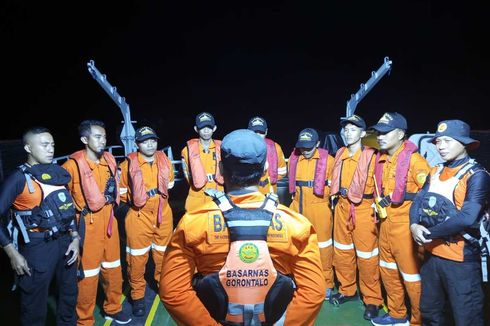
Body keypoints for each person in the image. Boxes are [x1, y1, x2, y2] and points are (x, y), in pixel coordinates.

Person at [159, 129, 326, 326]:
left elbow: (173, 292)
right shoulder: (296, 224)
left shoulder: (193, 223)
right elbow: (314, 292)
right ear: (265, 168)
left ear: (220, 169)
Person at [409, 119, 489, 326]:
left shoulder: (477, 175)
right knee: (430, 311)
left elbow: (468, 217)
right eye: (438, 141)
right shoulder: (435, 171)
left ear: (464, 143)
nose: (441, 146)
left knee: (466, 317)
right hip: (431, 256)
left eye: (447, 140)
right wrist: (414, 225)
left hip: (460, 260)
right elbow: (418, 199)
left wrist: (429, 233)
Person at [0, 127, 79, 326]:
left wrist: (76, 239)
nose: (50, 149)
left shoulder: (58, 174)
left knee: (69, 296)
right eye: (44, 145)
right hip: (37, 247)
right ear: (28, 147)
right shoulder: (18, 178)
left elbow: (67, 209)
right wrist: (13, 254)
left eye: (52, 144)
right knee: (34, 305)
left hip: (66, 244)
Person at [62, 120, 131, 325]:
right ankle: (84, 319)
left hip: (109, 220)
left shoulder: (109, 161)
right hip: (86, 225)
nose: (103, 140)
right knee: (87, 275)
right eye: (97, 136)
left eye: (104, 136)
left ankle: (113, 308)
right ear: (85, 139)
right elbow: (62, 201)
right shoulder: (71, 167)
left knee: (113, 267)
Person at [368, 112, 430, 326]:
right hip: (385, 225)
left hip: (405, 227)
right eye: (379, 132)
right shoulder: (382, 160)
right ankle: (397, 314)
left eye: (386, 132)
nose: (381, 136)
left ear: (401, 134)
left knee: (412, 277)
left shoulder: (415, 160)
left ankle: (418, 320)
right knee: (388, 271)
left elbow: (429, 195)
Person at [329, 115, 383, 320]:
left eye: (353, 129)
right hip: (342, 206)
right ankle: (347, 290)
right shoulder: (340, 153)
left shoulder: (372, 155)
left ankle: (372, 299)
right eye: (345, 129)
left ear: (362, 133)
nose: (347, 133)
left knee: (367, 257)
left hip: (364, 209)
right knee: (342, 252)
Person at [118, 126, 175, 317]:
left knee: (164, 256)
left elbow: (170, 184)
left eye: (153, 140)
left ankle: (164, 287)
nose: (150, 144)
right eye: (145, 141)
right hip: (139, 215)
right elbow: (123, 193)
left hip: (163, 213)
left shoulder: (164, 160)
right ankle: (138, 297)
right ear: (137, 144)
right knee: (136, 259)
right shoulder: (127, 166)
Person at [288, 127, 335, 299]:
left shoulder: (329, 161)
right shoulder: (294, 160)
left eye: (309, 146)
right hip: (298, 207)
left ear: (317, 144)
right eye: (302, 147)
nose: (305, 150)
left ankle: (327, 283)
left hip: (320, 206)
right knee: (297, 247)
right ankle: (299, 278)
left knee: (323, 247)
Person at [181, 112, 224, 212]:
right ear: (196, 129)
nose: (206, 130)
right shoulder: (187, 150)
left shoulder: (222, 148)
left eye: (209, 127)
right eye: (202, 127)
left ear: (214, 128)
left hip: (218, 195)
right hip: (197, 196)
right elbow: (187, 176)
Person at [247, 116, 287, 195]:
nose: (258, 135)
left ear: (266, 132)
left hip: (270, 194)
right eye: (255, 132)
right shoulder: (240, 148)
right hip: (248, 195)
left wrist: (268, 178)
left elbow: (282, 172)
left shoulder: (276, 148)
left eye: (261, 132)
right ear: (248, 132)